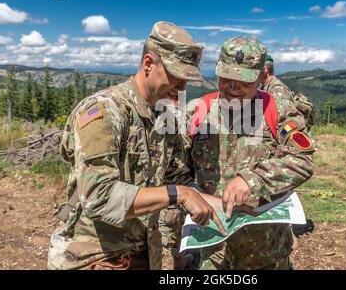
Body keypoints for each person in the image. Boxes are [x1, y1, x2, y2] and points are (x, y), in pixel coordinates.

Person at [47, 21, 226, 270]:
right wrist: (179, 195)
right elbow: (98, 196)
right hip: (94, 255)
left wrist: (229, 206)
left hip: (143, 251)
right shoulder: (104, 111)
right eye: (175, 77)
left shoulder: (165, 117)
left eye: (186, 81)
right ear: (148, 64)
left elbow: (178, 177)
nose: (182, 89)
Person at [188, 37, 315, 269]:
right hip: (213, 251)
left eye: (243, 81)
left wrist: (251, 180)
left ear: (260, 76)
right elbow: (176, 175)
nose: (233, 87)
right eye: (226, 78)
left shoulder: (277, 109)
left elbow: (302, 160)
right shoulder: (197, 111)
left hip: (266, 253)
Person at [260, 54, 314, 130]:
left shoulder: (277, 91)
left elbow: (283, 125)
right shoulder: (266, 88)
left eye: (254, 69)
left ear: (265, 70)